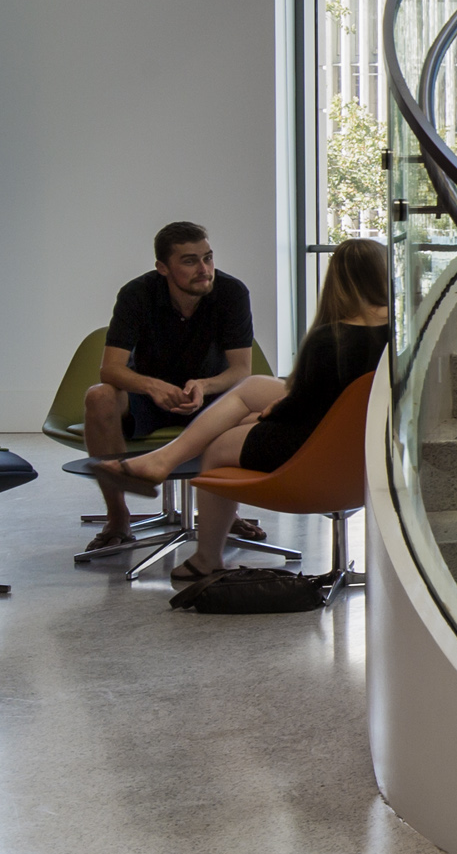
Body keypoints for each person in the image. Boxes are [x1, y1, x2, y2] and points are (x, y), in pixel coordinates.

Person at [95, 239, 393, 583]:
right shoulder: (402, 335)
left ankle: (207, 556)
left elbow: (302, 411)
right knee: (253, 387)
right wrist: (274, 406)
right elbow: (331, 399)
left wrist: (265, 417)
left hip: (312, 449)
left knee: (218, 445)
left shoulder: (332, 339)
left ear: (337, 279)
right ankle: (163, 461)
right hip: (368, 441)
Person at [84, 221, 257, 559]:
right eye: (190, 261)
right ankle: (118, 518)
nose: (204, 270)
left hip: (211, 395)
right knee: (99, 395)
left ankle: (225, 512)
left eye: (208, 258)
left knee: (250, 409)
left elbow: (241, 370)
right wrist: (152, 386)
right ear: (162, 268)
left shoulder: (232, 293)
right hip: (148, 397)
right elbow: (111, 369)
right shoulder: (136, 294)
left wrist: (204, 386)